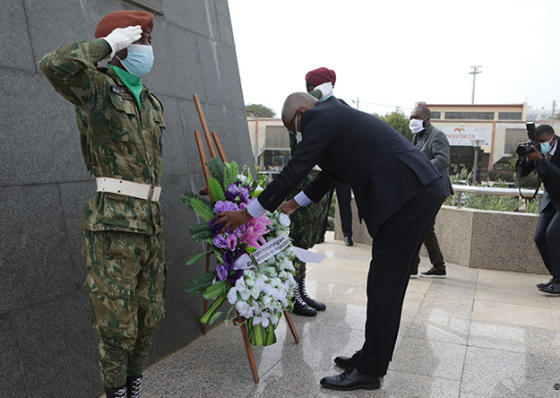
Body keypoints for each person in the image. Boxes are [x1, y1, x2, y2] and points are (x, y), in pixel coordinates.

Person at [216, 92, 443, 391]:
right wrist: (295, 204)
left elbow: (295, 169)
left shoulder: (318, 117)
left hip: (408, 195)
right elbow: (330, 175)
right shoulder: (335, 115)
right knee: (387, 283)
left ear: (300, 112)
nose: (297, 133)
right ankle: (370, 357)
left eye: (293, 128)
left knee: (384, 284)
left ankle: (370, 370)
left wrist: (247, 213)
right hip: (416, 191)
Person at [40, 10, 166, 398]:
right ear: (123, 46)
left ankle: (134, 388)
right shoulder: (96, 87)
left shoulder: (152, 102)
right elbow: (54, 65)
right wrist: (107, 45)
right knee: (117, 323)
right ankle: (115, 393)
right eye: (139, 40)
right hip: (113, 223)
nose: (147, 48)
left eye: (147, 40)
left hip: (150, 221)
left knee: (148, 316)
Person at [285, 67, 336, 317]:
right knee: (298, 240)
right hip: (302, 183)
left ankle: (301, 290)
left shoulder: (325, 113)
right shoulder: (301, 110)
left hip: (318, 183)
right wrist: (317, 92)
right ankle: (293, 295)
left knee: (308, 241)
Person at [409, 106, 453, 278]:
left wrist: (420, 167)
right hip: (423, 188)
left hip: (435, 188)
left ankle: (414, 266)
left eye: (416, 117)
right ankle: (437, 266)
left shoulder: (437, 135)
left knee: (420, 226)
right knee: (425, 227)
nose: (412, 120)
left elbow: (443, 159)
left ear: (427, 119)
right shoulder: (417, 137)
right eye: (411, 117)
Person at [518, 124, 560, 295]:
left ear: (553, 139)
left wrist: (540, 160)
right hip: (552, 199)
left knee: (553, 234)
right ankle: (557, 277)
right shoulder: (538, 151)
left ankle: (558, 281)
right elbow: (522, 173)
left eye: (543, 141)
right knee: (540, 237)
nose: (541, 144)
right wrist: (523, 158)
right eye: (538, 141)